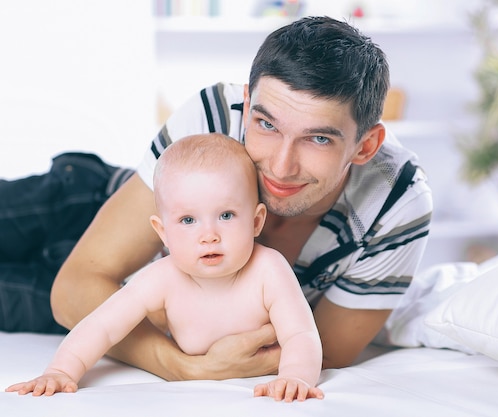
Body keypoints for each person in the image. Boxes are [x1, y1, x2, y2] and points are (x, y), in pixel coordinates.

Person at [7, 16, 432, 380]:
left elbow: (323, 350)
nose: (281, 167)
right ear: (247, 105)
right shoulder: (211, 116)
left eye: (318, 138)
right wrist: (183, 367)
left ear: (365, 145)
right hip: (80, 207)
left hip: (113, 306)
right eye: (266, 124)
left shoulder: (398, 202)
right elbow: (78, 284)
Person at [6, 133, 324, 401]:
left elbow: (300, 334)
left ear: (256, 221)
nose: (209, 236)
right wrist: (61, 371)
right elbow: (101, 326)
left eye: (226, 215)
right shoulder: (162, 277)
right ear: (162, 232)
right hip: (78, 207)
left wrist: (296, 377)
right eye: (188, 220)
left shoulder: (269, 270)